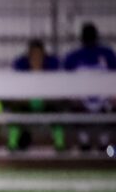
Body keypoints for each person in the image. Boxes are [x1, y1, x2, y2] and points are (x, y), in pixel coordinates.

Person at [63, 22, 116, 151]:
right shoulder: (73, 56)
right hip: (81, 99)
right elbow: (65, 81)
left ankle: (105, 143)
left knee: (112, 107)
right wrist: (74, 97)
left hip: (104, 99)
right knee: (73, 106)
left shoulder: (107, 54)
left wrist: (112, 96)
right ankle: (84, 142)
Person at [8, 39, 63, 151]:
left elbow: (57, 89)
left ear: (44, 54)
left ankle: (60, 144)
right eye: (33, 54)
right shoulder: (21, 64)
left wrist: (45, 99)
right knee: (15, 112)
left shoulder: (51, 64)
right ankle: (12, 144)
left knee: (57, 111)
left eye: (39, 54)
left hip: (47, 101)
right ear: (29, 54)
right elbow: (16, 89)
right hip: (26, 102)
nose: (36, 57)